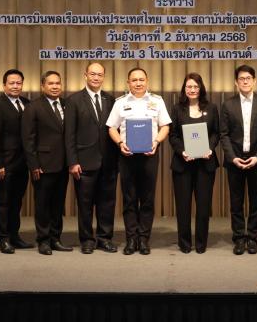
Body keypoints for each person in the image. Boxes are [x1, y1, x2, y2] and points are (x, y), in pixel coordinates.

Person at [106, 67, 172, 256]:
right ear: (128, 83)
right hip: (127, 157)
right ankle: (131, 239)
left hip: (150, 155)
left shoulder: (157, 101)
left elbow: (165, 126)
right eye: (134, 80)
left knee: (148, 199)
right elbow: (111, 127)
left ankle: (143, 239)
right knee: (129, 199)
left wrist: (156, 142)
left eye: (141, 79)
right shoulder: (120, 102)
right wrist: (120, 143)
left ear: (147, 81)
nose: (138, 83)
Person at [64, 62, 120, 254]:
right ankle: (87, 240)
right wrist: (72, 161)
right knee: (85, 204)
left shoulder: (111, 100)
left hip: (109, 162)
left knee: (107, 204)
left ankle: (104, 238)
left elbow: (116, 129)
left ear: (104, 77)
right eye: (93, 74)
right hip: (84, 162)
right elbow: (69, 134)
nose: (96, 78)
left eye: (100, 75)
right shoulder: (73, 100)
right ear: (85, 75)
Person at [219, 64, 257, 255]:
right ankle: (239, 238)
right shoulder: (228, 104)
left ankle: (253, 238)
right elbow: (223, 134)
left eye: (248, 78)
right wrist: (232, 158)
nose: (245, 81)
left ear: (254, 81)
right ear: (236, 82)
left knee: (256, 202)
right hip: (235, 161)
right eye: (241, 78)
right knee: (236, 203)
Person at [168, 72, 220, 254]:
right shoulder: (177, 109)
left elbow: (216, 133)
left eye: (195, 86)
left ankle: (200, 243)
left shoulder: (211, 108)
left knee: (203, 207)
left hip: (205, 164)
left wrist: (210, 148)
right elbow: (173, 135)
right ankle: (184, 243)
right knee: (183, 207)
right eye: (189, 86)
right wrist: (182, 151)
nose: (192, 89)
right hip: (183, 164)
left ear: (201, 88)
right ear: (184, 89)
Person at [22, 71, 71, 255]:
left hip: (63, 164)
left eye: (58, 83)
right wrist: (34, 165)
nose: (55, 86)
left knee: (58, 204)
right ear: (43, 86)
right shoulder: (33, 107)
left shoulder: (67, 104)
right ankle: (43, 240)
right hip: (42, 164)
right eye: (51, 83)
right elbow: (28, 139)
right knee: (42, 204)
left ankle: (55, 238)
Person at [0, 69, 32, 253]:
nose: (15, 86)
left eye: (19, 83)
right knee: (3, 202)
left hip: (23, 163)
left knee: (17, 201)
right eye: (12, 83)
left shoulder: (27, 103)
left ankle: (14, 235)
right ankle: (3, 238)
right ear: (4, 85)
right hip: (5, 163)